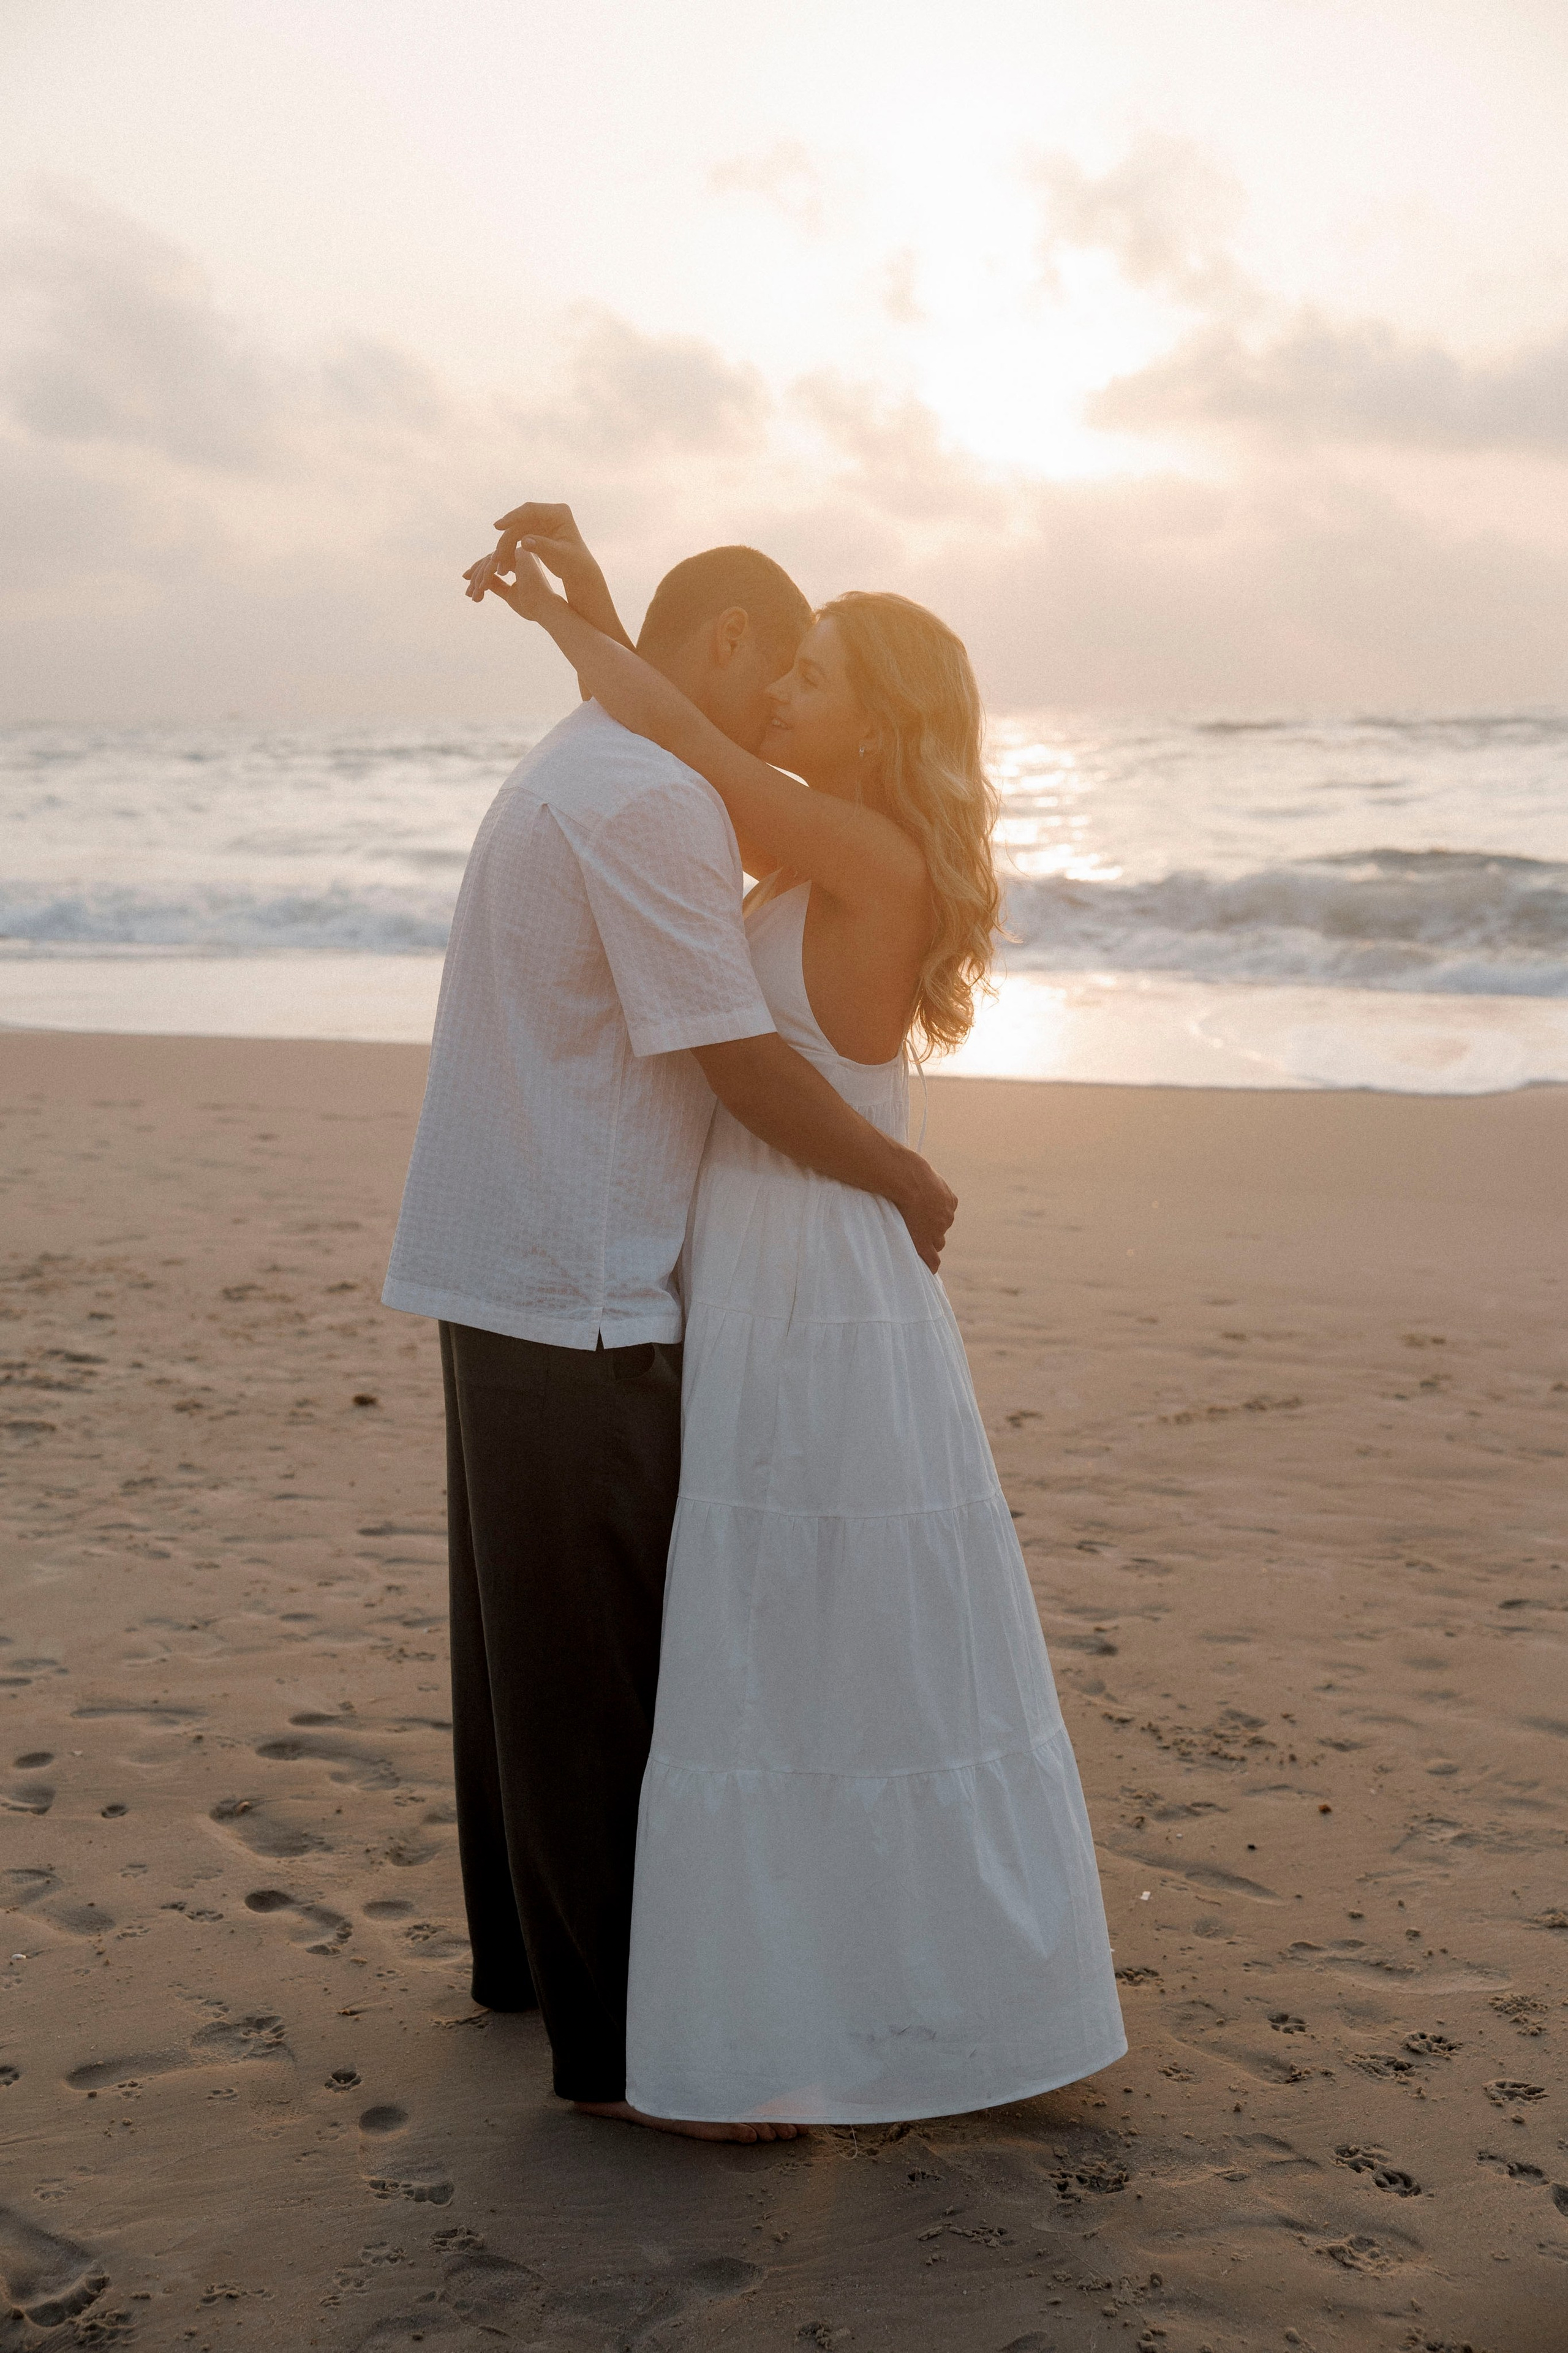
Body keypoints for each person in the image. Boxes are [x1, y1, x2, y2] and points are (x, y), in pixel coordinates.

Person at [467, 517, 1126, 2128]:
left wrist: (574, 623)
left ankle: (883, 2000)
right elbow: (682, 741)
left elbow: (679, 725)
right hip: (756, 1259)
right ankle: (802, 1979)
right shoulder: (814, 846)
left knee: (809, 1617)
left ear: (878, 725)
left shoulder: (864, 854)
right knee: (778, 1621)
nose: (783, 695)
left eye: (815, 675)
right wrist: (606, 624)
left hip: (818, 1265)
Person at [382, 521, 959, 2146]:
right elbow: (728, 1050)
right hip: (576, 1273)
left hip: (503, 1247)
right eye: (776, 669)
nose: (777, 704)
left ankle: (520, 1958)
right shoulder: (648, 799)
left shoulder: (586, 757)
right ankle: (628, 2059)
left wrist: (577, 607)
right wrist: (901, 1173)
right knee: (590, 1671)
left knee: (518, 1646)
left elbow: (650, 703)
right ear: (719, 650)